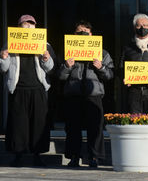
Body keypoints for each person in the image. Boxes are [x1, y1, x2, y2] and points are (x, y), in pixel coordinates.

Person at [0, 15, 54, 167]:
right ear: (19, 27)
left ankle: (37, 155)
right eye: (26, 24)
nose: (29, 26)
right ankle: (18, 155)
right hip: (18, 88)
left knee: (38, 123)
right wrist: (3, 57)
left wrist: (46, 58)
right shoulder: (10, 43)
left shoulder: (44, 44)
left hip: (37, 88)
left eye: (32, 24)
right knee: (18, 124)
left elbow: (50, 68)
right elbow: (3, 68)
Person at [58, 21, 114, 168]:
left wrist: (101, 67)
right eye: (79, 32)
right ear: (74, 35)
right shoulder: (67, 51)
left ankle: (94, 157)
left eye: (86, 32)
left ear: (92, 35)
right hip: (73, 94)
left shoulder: (102, 53)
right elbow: (60, 76)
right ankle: (74, 157)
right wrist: (67, 66)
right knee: (72, 128)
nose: (83, 35)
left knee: (95, 128)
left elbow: (110, 75)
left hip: (93, 94)